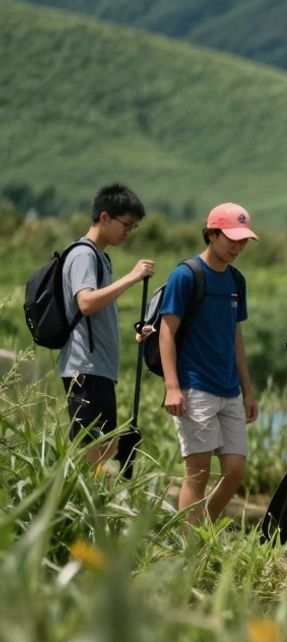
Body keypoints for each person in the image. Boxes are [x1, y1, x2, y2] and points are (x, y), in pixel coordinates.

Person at [156, 203, 259, 524]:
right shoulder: (186, 275)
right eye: (232, 238)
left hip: (229, 389)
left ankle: (203, 530)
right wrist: (172, 387)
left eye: (243, 240)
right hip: (194, 386)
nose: (238, 246)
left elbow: (235, 336)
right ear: (212, 234)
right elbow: (166, 332)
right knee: (197, 473)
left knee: (235, 471)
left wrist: (248, 389)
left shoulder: (236, 280)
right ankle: (189, 552)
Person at [59, 183, 154, 466]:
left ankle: (88, 506)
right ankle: (69, 506)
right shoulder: (83, 254)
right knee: (91, 449)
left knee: (104, 447)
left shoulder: (100, 256)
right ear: (104, 217)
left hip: (98, 369)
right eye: (126, 224)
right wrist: (132, 277)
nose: (127, 232)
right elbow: (86, 303)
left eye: (133, 227)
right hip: (84, 368)